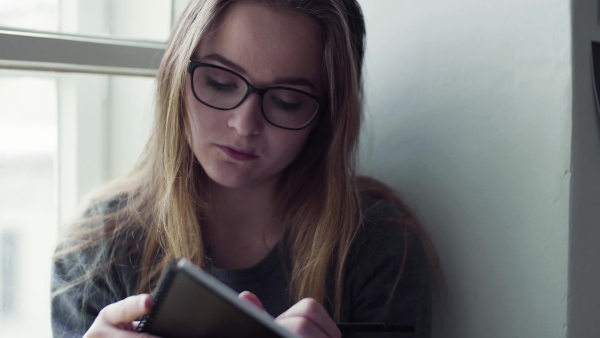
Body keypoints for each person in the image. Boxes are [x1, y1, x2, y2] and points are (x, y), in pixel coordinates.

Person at [51, 0, 442, 337]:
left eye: (287, 101)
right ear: (175, 75)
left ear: (328, 116)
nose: (244, 124)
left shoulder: (376, 246)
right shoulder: (96, 251)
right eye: (220, 83)